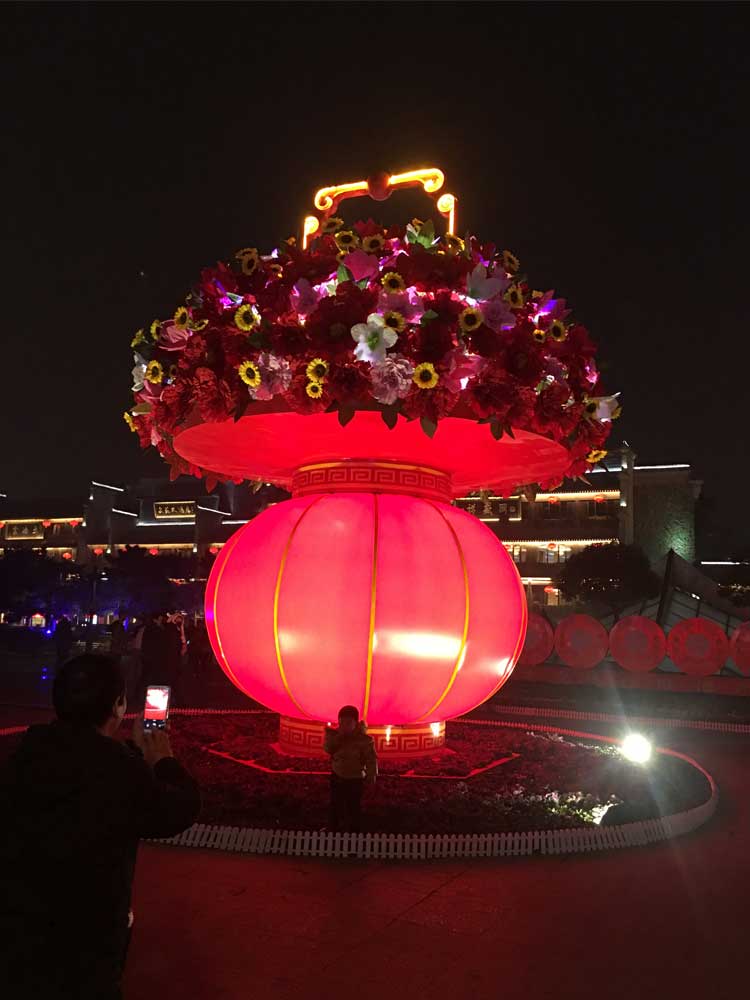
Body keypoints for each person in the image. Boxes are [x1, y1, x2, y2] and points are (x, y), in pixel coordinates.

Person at [0, 653, 200, 999]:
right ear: (119, 705)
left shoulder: (24, 754)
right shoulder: (120, 771)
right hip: (88, 938)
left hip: (19, 931)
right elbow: (179, 809)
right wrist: (162, 760)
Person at [323, 705, 378, 833]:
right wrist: (339, 737)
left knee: (353, 806)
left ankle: (354, 831)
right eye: (341, 723)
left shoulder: (364, 740)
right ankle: (333, 829)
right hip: (337, 776)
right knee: (335, 804)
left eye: (348, 723)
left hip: (355, 778)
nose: (344, 726)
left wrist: (371, 776)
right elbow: (327, 749)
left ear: (356, 723)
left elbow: (371, 759)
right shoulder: (334, 735)